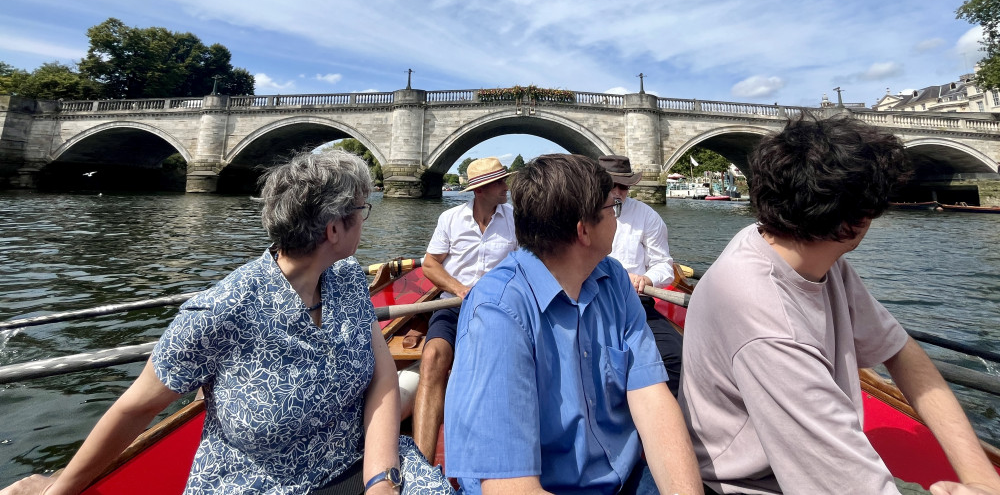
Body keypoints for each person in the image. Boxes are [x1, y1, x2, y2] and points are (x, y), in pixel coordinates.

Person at [2, 150, 449, 495]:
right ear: (334, 229)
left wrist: (380, 479)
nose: (364, 223)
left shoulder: (348, 277)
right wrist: (62, 489)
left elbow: (383, 376)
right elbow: (134, 408)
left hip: (359, 468)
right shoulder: (219, 311)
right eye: (362, 211)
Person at [679, 116, 1000, 495]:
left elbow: (899, 350)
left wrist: (981, 477)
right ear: (861, 220)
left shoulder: (788, 246)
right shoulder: (770, 324)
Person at [444, 154, 702, 495]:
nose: (617, 216)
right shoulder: (497, 313)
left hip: (622, 476)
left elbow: (652, 400)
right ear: (584, 230)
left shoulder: (615, 281)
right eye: (613, 208)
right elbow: (512, 488)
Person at [412, 157, 518, 461]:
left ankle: (493, 453)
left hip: (498, 307)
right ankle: (421, 463)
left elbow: (528, 262)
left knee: (496, 358)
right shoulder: (450, 219)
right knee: (432, 357)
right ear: (481, 190)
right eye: (500, 182)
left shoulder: (515, 219)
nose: (505, 187)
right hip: (454, 302)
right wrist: (459, 288)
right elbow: (431, 264)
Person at [599, 154, 684, 396]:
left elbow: (664, 266)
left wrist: (646, 279)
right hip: (592, 300)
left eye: (624, 186)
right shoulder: (581, 211)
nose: (619, 192)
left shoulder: (648, 217)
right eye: (612, 185)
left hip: (635, 302)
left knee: (676, 357)